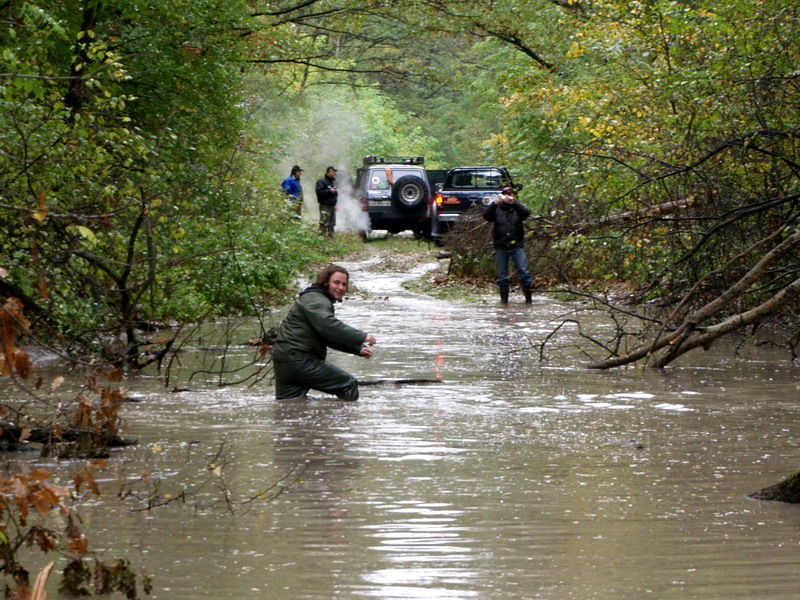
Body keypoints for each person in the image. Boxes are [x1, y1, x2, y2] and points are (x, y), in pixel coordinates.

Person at [272, 263, 377, 401]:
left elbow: (327, 336)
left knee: (289, 405)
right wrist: (362, 337)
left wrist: (358, 349)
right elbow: (329, 327)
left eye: (344, 284)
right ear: (326, 282)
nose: (340, 288)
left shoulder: (313, 298)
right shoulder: (316, 300)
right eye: (337, 282)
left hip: (284, 362)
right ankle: (345, 422)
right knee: (348, 385)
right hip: (301, 360)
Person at [483, 186, 533, 304]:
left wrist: (514, 203)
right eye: (506, 195)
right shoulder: (497, 208)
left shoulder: (518, 208)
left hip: (517, 245)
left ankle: (528, 300)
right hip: (501, 245)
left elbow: (526, 214)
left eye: (511, 195)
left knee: (524, 271)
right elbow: (487, 217)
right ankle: (504, 301)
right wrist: (495, 204)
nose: (509, 197)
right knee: (502, 275)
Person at [315, 166, 338, 237]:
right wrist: (329, 191)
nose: (335, 173)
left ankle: (331, 235)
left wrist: (336, 204)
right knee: (324, 222)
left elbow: (335, 193)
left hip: (332, 205)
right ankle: (321, 236)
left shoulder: (333, 181)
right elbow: (319, 192)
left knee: (332, 222)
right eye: (333, 171)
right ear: (329, 172)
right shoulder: (322, 181)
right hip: (325, 205)